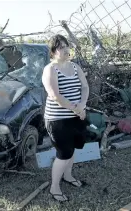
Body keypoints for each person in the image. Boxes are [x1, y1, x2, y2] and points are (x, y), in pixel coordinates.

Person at [42, 34, 89, 202]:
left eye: (66, 46)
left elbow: (85, 87)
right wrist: (76, 109)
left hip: (77, 116)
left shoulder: (75, 67)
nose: (65, 50)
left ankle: (68, 176)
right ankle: (54, 188)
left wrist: (82, 105)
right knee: (64, 153)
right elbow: (55, 96)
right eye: (60, 47)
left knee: (73, 148)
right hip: (58, 120)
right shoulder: (50, 69)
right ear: (53, 52)